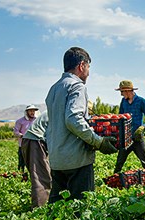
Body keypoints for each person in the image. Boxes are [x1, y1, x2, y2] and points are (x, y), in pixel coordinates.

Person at [45, 47, 118, 203]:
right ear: (82, 66)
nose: (89, 73)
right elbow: (73, 119)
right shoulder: (77, 86)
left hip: (57, 159)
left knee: (57, 210)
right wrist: (99, 142)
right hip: (76, 160)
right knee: (82, 211)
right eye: (89, 67)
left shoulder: (54, 88)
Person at [113, 80, 145, 174]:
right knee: (119, 163)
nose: (121, 94)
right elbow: (120, 117)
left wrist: (143, 127)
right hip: (126, 138)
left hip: (137, 138)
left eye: (122, 92)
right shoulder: (123, 102)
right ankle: (112, 182)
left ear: (128, 91)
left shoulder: (141, 101)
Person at [22, 109, 52, 207]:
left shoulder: (56, 107)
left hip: (34, 140)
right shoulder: (64, 111)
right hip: (35, 141)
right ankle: (39, 211)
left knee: (43, 174)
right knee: (40, 177)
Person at [14, 104, 38, 171]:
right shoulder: (20, 121)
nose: (32, 112)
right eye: (30, 111)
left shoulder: (36, 121)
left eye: (33, 111)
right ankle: (21, 175)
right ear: (27, 112)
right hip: (23, 145)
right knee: (22, 162)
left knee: (33, 162)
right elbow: (16, 131)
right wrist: (21, 135)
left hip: (34, 145)